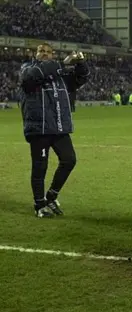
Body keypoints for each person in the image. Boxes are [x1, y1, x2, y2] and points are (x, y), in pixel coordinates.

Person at [19, 44, 90, 218]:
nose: (44, 54)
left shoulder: (61, 75)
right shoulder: (28, 68)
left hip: (59, 127)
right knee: (40, 168)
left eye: (48, 52)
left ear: (52, 55)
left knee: (69, 160)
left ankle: (51, 196)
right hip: (39, 127)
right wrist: (62, 63)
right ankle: (39, 205)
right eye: (41, 51)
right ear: (35, 54)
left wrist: (80, 63)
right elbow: (31, 78)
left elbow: (81, 78)